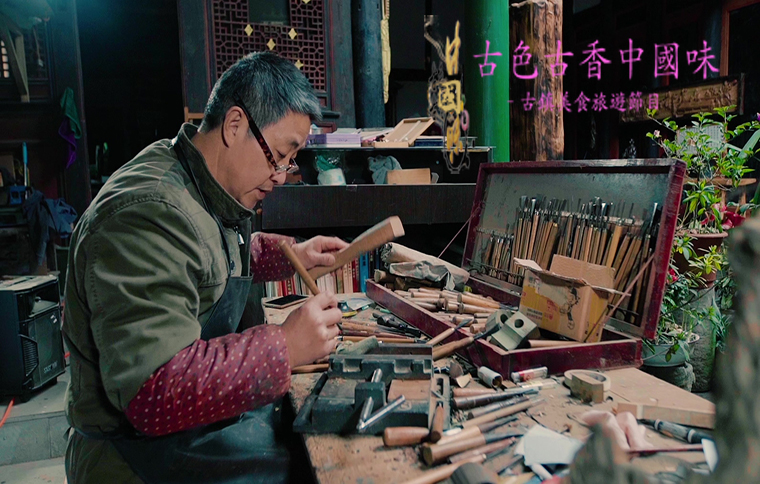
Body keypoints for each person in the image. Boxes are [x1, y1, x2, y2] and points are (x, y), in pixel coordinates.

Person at [63, 52, 347, 484]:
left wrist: (292, 255)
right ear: (235, 125)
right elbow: (154, 391)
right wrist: (285, 346)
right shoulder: (148, 211)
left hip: (180, 431)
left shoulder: (199, 177)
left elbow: (204, 254)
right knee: (306, 469)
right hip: (131, 454)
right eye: (279, 156)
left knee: (299, 431)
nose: (280, 175)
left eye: (289, 162)